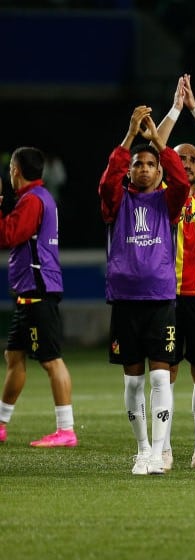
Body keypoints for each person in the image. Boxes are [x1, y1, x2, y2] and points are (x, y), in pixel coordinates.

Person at [98, 105, 190, 475]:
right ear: (130, 169)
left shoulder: (166, 201)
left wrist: (156, 141)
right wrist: (130, 134)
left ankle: (157, 453)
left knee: (160, 376)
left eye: (150, 164)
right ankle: (142, 448)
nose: (143, 169)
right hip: (124, 300)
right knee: (134, 382)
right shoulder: (116, 200)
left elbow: (183, 182)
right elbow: (106, 182)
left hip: (160, 299)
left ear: (158, 171)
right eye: (137, 164)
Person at [154, 75, 195, 470]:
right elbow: (158, 147)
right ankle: (162, 449)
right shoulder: (163, 192)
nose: (190, 164)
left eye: (194, 160)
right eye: (182, 159)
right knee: (167, 371)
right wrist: (176, 110)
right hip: (165, 294)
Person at [0, 147, 76, 448]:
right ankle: (2, 424)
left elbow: (9, 235)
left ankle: (66, 430)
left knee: (51, 360)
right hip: (31, 289)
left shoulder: (32, 201)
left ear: (16, 170)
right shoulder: (39, 197)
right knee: (14, 357)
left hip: (37, 289)